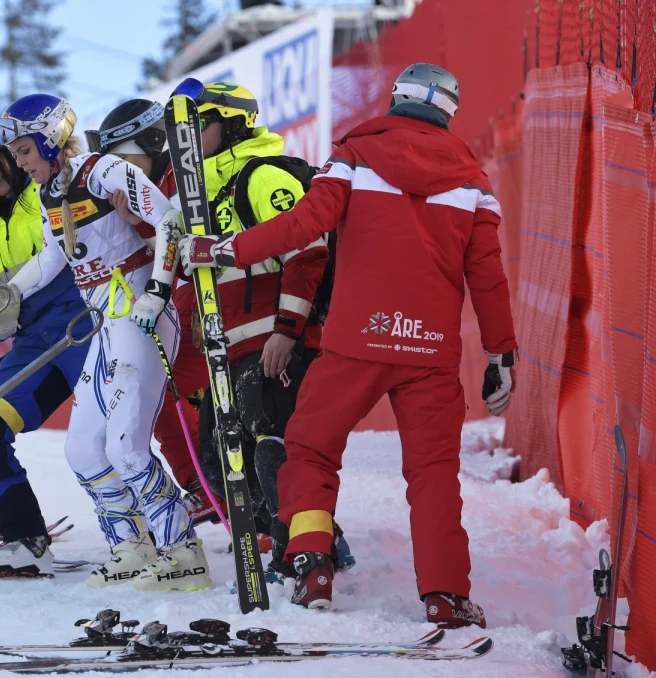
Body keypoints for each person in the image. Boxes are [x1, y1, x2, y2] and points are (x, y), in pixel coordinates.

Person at [179, 63, 517, 627]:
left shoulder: (355, 156)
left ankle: (312, 564)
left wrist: (224, 250)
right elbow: (489, 278)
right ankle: (445, 596)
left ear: (396, 99)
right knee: (433, 475)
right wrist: (501, 355)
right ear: (448, 112)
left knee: (309, 449)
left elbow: (301, 226)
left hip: (356, 340)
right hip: (429, 352)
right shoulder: (473, 182)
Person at [0, 93, 211, 592]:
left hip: (140, 312)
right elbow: (53, 258)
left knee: (125, 445)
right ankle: (131, 546)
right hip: (105, 323)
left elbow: (169, 221)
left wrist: (158, 290)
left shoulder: (103, 170)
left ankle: (183, 552)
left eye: (24, 150)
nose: (19, 163)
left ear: (50, 140)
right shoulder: (50, 194)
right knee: (82, 449)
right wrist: (10, 291)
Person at [175, 80, 355, 582]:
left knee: (271, 445)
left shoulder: (261, 174)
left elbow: (308, 252)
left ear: (232, 124)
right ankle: (300, 537)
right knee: (216, 458)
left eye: (198, 125)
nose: (188, 138)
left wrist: (287, 331)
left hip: (276, 340)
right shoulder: (204, 194)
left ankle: (303, 550)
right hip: (231, 348)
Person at [0, 125, 91, 577]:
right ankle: (26, 541)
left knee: (117, 430)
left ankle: (201, 505)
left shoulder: (43, 184)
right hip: (33, 341)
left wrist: (13, 294)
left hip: (86, 317)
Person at [86, 100, 215, 521]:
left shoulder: (183, 178)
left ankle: (211, 486)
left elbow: (189, 247)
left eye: (125, 160)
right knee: (159, 396)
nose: (120, 173)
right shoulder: (151, 185)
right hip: (191, 306)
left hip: (218, 307)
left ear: (154, 144)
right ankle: (205, 485)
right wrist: (136, 222)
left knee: (162, 392)